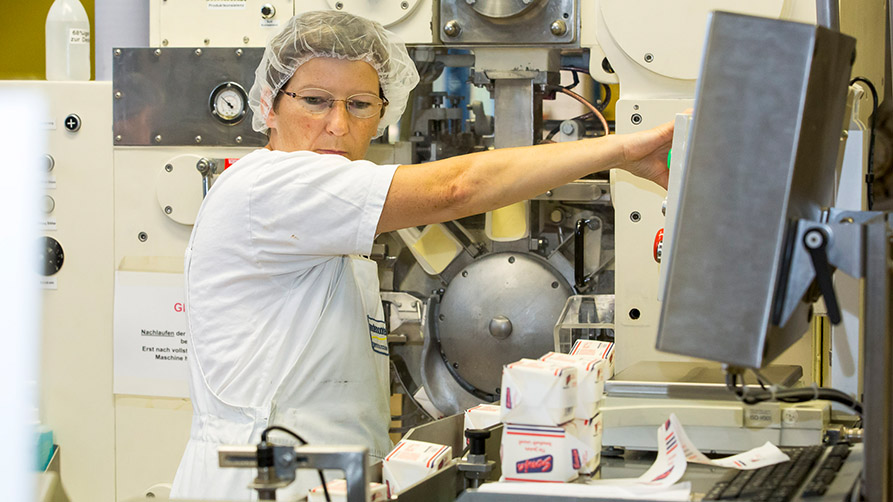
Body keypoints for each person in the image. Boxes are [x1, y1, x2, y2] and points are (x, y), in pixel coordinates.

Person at [170, 9, 675, 501]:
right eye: (316, 101)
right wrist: (624, 153)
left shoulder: (325, 217)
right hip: (262, 482)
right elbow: (457, 188)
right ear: (268, 105)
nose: (338, 126)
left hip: (330, 476)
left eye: (361, 105)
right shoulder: (269, 187)